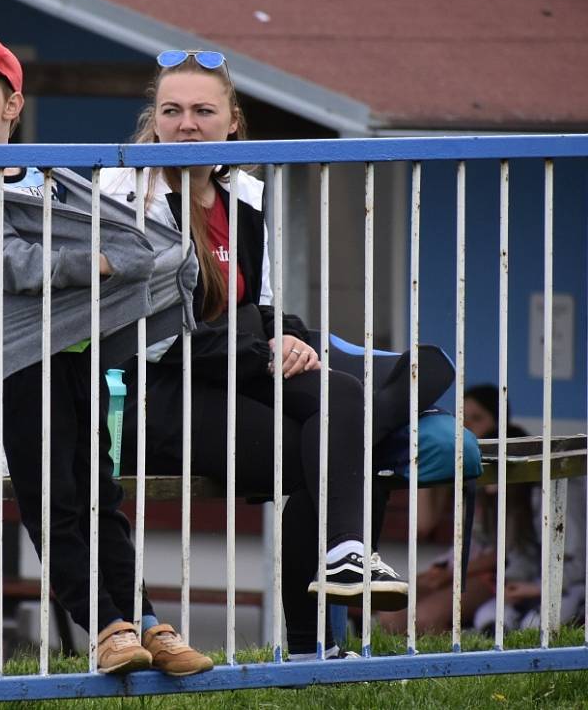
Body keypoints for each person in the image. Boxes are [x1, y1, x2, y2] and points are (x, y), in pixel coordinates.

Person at [0, 32, 212, 676]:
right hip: (22, 359)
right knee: (55, 499)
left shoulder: (50, 172)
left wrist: (142, 256)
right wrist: (97, 264)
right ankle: (103, 625)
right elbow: (9, 265)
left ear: (13, 105)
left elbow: (118, 231)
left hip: (78, 349)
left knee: (99, 491)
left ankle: (146, 623)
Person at [100, 49, 413, 660]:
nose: (186, 123)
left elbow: (259, 306)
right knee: (319, 451)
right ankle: (307, 645)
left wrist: (287, 337)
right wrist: (266, 348)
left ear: (232, 119)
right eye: (171, 110)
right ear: (154, 119)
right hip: (158, 388)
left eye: (201, 110)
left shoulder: (244, 192)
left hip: (236, 367)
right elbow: (153, 333)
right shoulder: (124, 189)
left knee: (346, 398)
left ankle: (347, 555)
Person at [380, 383, 531, 634]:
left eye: (477, 418)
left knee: (424, 618)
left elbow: (505, 550)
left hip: (499, 572)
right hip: (457, 565)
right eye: (461, 418)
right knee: (391, 614)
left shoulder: (511, 475)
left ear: (499, 424)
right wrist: (427, 461)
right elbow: (423, 524)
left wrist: (451, 574)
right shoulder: (459, 464)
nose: (467, 427)